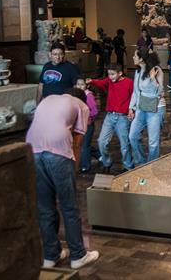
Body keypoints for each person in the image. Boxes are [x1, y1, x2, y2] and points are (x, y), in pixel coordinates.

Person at [26, 88, 100, 269]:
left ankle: (51, 256)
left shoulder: (49, 98)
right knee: (69, 206)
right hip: (58, 151)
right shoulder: (81, 104)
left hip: (32, 150)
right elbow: (77, 142)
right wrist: (73, 169)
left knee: (45, 206)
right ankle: (78, 255)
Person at [87, 64, 134, 173]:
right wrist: (91, 81)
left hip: (123, 117)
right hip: (110, 116)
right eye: (109, 74)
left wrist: (133, 110)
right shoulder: (109, 81)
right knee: (101, 141)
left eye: (112, 74)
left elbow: (134, 97)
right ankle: (107, 162)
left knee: (124, 144)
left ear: (120, 73)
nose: (110, 76)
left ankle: (127, 166)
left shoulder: (129, 82)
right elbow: (100, 82)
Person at [128, 49, 166, 165]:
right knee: (132, 136)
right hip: (141, 107)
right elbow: (136, 91)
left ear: (141, 59)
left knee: (153, 142)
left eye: (135, 56)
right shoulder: (138, 71)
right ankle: (140, 162)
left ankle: (151, 165)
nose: (133, 57)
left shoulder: (156, 70)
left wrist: (153, 78)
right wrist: (131, 108)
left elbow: (160, 92)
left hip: (155, 109)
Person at [75, 77, 98, 173]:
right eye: (78, 84)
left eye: (82, 84)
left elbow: (94, 111)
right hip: (79, 124)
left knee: (85, 145)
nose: (79, 86)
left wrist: (87, 117)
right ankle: (99, 155)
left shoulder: (88, 96)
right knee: (82, 144)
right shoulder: (77, 95)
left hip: (87, 125)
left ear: (87, 85)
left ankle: (86, 166)